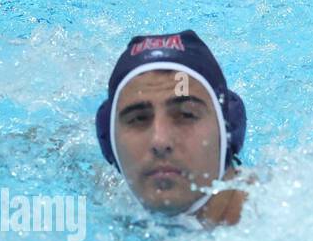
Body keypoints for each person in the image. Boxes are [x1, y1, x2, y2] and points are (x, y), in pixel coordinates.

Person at [94, 30, 248, 226]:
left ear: (227, 130)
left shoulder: (281, 219)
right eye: (138, 118)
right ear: (109, 143)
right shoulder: (105, 203)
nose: (160, 140)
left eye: (186, 115)